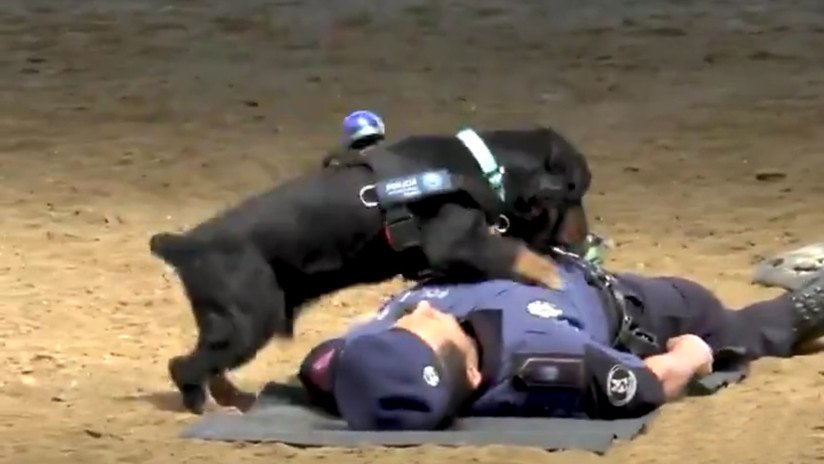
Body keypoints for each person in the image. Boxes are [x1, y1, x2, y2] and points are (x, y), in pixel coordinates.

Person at [296, 250, 824, 430]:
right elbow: (647, 384)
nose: (424, 307)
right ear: (474, 375)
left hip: (522, 256)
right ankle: (799, 309)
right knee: (730, 327)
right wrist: (694, 355)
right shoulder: (544, 365)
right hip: (636, 307)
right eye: (425, 324)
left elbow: (320, 364)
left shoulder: (353, 368)